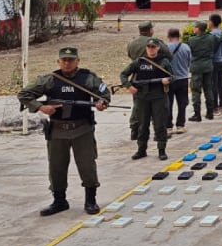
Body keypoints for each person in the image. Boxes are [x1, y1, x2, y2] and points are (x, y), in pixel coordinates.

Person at [18, 47, 110, 216]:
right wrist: (41, 107)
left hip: (82, 129)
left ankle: (90, 200)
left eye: (71, 60)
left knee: (87, 166)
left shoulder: (88, 78)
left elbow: (104, 93)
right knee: (56, 167)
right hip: (57, 131)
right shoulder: (49, 80)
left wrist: (101, 102)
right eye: (64, 60)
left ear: (78, 61)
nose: (67, 63)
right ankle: (59, 201)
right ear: (58, 61)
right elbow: (24, 94)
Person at [121, 40, 173, 161]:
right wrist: (129, 86)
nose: (151, 49)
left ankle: (161, 150)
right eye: (149, 47)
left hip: (159, 96)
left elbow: (172, 76)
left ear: (158, 48)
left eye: (153, 47)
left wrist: (167, 80)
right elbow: (123, 74)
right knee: (142, 125)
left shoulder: (163, 61)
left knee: (160, 124)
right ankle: (141, 149)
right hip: (142, 97)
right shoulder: (139, 62)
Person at [125, 21, 171, 140]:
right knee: (157, 109)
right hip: (154, 78)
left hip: (137, 77)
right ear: (150, 30)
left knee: (138, 106)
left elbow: (130, 55)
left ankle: (134, 130)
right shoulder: (156, 42)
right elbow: (169, 55)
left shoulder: (132, 42)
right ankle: (158, 133)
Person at [187, 20, 221, 124]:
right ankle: (210, 112)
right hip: (208, 66)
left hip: (196, 66)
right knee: (208, 89)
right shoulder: (212, 38)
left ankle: (197, 114)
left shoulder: (192, 40)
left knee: (196, 91)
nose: (194, 29)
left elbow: (191, 52)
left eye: (195, 27)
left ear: (198, 29)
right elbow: (220, 39)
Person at [165, 28, 191, 132]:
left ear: (168, 36)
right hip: (183, 78)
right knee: (182, 103)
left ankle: (168, 126)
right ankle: (180, 125)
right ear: (179, 36)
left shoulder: (166, 48)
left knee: (168, 103)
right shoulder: (186, 47)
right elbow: (189, 62)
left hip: (169, 79)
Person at [208, 14, 222, 115]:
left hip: (214, 61)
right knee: (220, 84)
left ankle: (215, 107)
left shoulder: (211, 35)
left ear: (211, 22)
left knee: (213, 84)